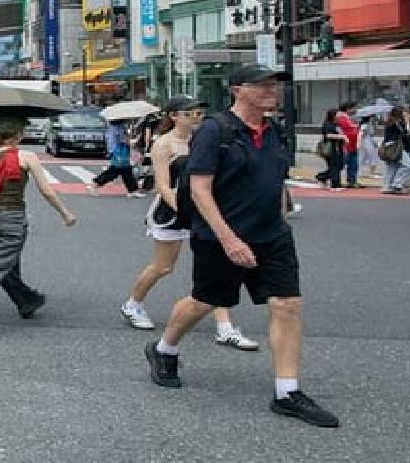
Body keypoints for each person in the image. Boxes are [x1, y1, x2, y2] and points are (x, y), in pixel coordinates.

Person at [144, 65, 339, 428]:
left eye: (274, 85)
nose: (271, 91)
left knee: (287, 304)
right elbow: (200, 189)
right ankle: (163, 348)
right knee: (203, 301)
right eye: (261, 85)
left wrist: (281, 216)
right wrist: (229, 239)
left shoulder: (275, 130)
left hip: (271, 235)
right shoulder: (214, 132)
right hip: (219, 236)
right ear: (237, 90)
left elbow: (276, 179)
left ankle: (287, 391)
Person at [120, 97, 258, 351]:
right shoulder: (164, 144)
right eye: (191, 113)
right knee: (163, 267)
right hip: (173, 211)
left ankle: (225, 327)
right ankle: (133, 304)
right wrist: (187, 210)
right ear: (174, 116)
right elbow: (162, 186)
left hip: (206, 211)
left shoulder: (208, 139)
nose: (197, 117)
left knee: (217, 268)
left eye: (200, 112)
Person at [0, 117, 78, 340]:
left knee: (7, 265)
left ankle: (27, 301)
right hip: (13, 219)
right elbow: (47, 191)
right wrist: (65, 212)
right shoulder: (26, 157)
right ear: (18, 137)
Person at [87, 119, 144, 197]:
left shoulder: (112, 127)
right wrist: (133, 139)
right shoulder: (118, 128)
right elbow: (124, 140)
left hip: (117, 151)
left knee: (126, 171)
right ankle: (95, 184)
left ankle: (132, 190)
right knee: (115, 171)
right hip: (119, 152)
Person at [382, 106, 410, 194]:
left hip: (390, 147)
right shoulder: (397, 123)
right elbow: (406, 135)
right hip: (396, 147)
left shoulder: (391, 122)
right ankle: (396, 184)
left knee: (392, 167)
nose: (406, 114)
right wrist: (407, 123)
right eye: (404, 112)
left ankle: (388, 186)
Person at [314, 109, 348, 190]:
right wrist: (341, 137)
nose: (339, 116)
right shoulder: (327, 124)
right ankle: (335, 184)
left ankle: (322, 177)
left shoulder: (337, 124)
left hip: (339, 147)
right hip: (331, 147)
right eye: (337, 114)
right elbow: (328, 135)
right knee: (334, 166)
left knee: (339, 165)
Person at [336, 102, 361, 187]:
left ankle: (352, 180)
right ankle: (331, 178)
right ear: (348, 109)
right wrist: (355, 127)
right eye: (354, 108)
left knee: (353, 164)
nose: (355, 110)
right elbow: (348, 129)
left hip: (352, 144)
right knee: (344, 163)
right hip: (346, 145)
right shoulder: (341, 117)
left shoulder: (348, 117)